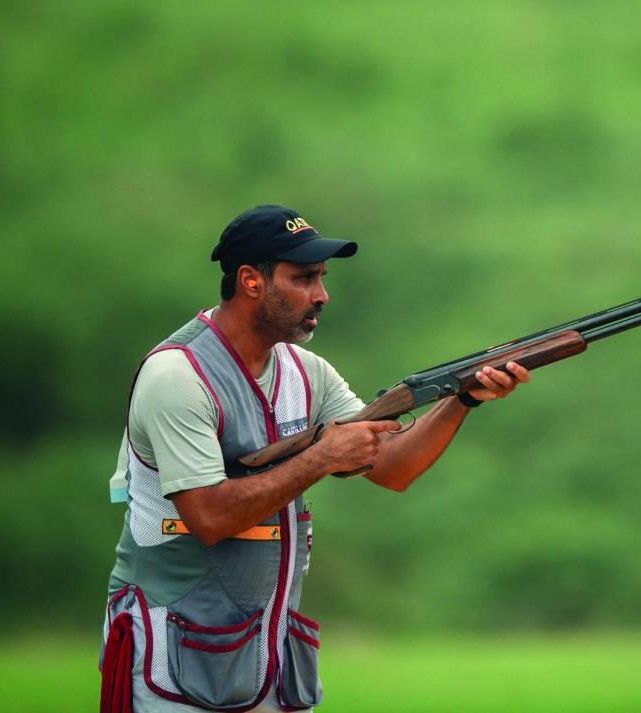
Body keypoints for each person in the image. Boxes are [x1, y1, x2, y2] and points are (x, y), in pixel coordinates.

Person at [99, 205, 529, 713]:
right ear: (250, 281)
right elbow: (209, 517)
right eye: (303, 279)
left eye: (321, 278)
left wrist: (462, 398)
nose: (321, 295)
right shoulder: (177, 375)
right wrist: (320, 459)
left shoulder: (306, 371)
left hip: (265, 657)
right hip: (170, 656)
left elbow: (392, 467)